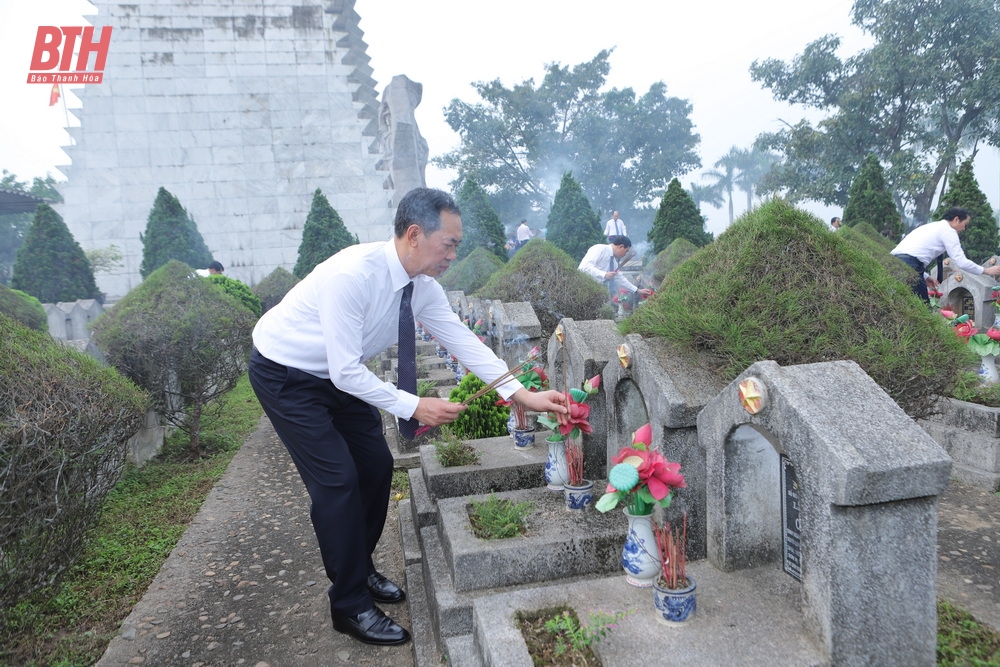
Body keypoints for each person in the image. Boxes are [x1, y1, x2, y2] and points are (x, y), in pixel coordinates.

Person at [247, 188, 569, 647]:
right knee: (337, 481)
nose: (454, 255)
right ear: (414, 234)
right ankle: (349, 604)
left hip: (343, 376)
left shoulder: (421, 289)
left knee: (376, 466)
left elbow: (461, 339)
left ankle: (358, 567)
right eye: (450, 244)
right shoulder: (352, 276)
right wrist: (414, 405)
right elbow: (345, 370)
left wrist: (521, 394)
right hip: (288, 375)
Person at [890, 206, 1000, 303]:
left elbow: (906, 255)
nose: (964, 229)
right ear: (956, 219)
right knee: (922, 309)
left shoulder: (932, 226)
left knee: (903, 304)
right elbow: (961, 262)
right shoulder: (948, 231)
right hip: (911, 266)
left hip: (895, 263)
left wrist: (925, 276)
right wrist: (986, 271)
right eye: (964, 224)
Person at [578, 235, 652, 301]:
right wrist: (604, 274)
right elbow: (584, 267)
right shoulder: (599, 248)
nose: (625, 254)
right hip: (580, 287)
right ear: (621, 246)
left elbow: (620, 279)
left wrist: (637, 290)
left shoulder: (613, 261)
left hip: (592, 290)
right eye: (626, 251)